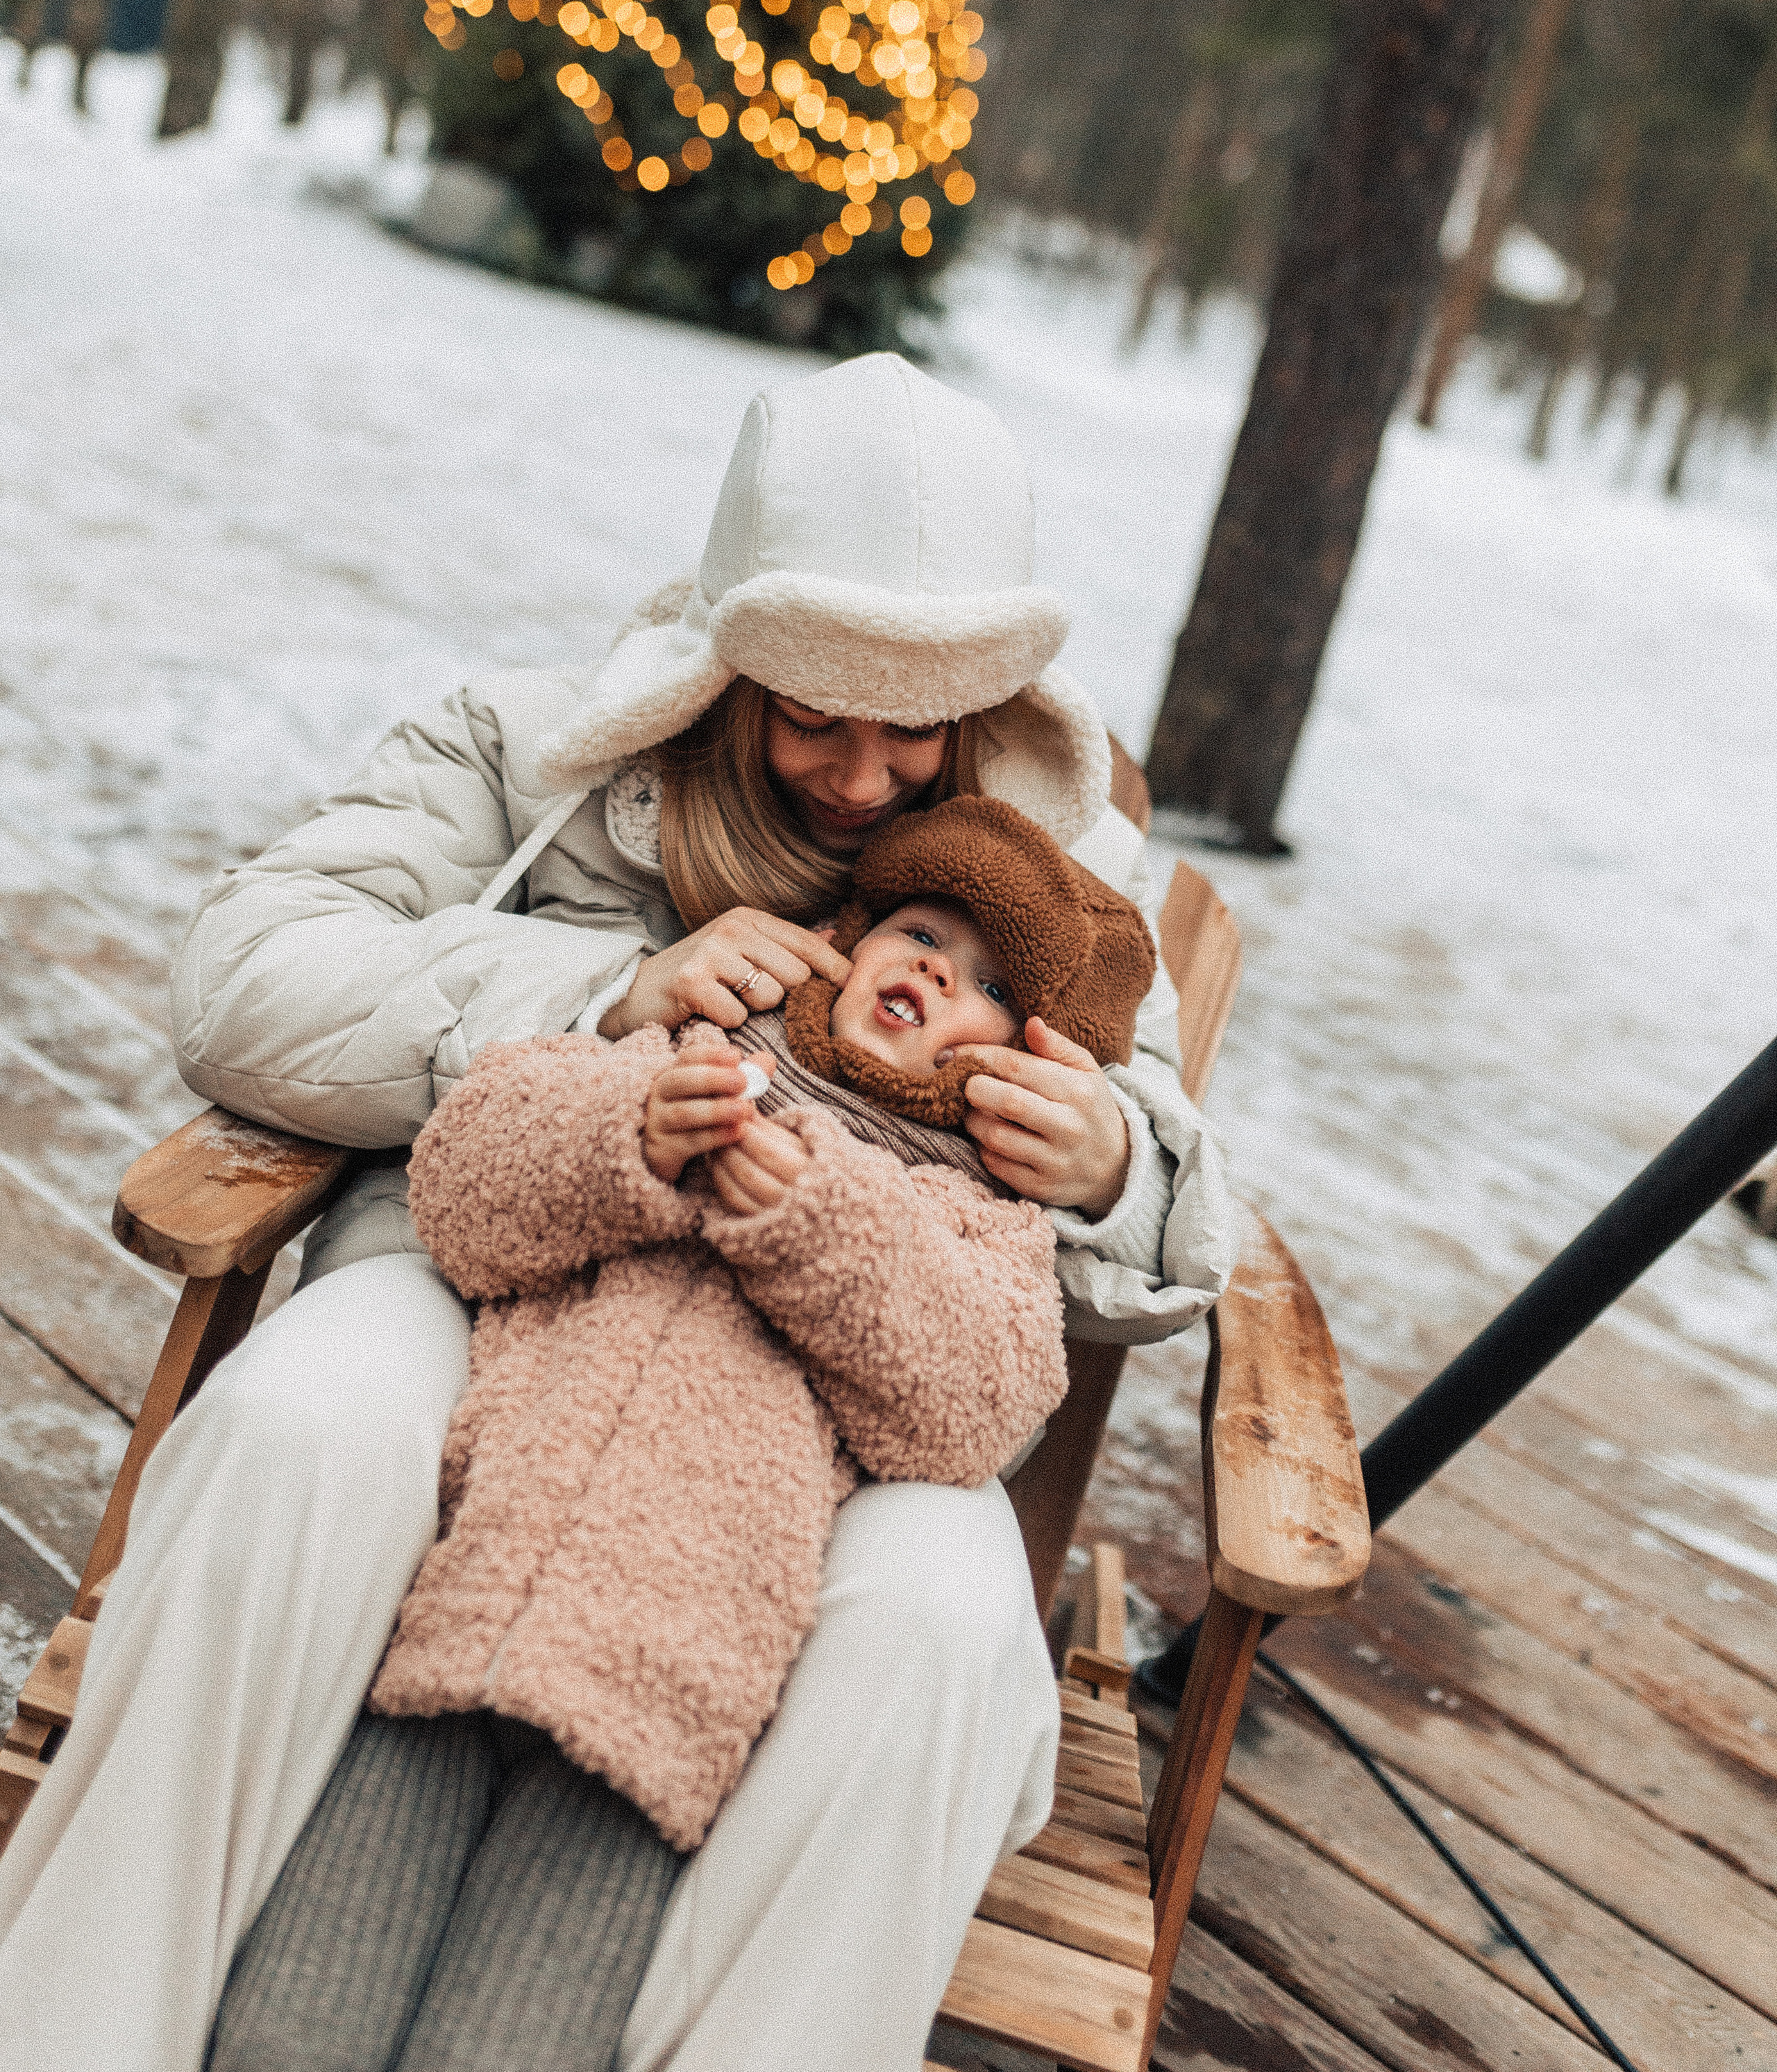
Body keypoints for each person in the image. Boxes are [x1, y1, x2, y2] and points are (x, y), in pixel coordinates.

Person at [0, 353, 1233, 2072]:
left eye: (914, 724)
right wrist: (608, 987)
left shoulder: (1054, 879)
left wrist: (1107, 1167)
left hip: (865, 1415)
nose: (866, 779)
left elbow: (1173, 1233)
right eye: (811, 712)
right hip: (486, 1280)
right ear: (729, 661)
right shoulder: (528, 753)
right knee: (296, 1433)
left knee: (947, 1648)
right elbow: (242, 987)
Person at [207, 793, 1154, 2071]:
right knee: (288, 2024)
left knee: (505, 2050)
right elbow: (466, 1183)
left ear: (1031, 1062)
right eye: (923, 931)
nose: (937, 971)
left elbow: (975, 1406)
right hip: (459, 1605)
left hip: (669, 1701)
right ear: (850, 935)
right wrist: (632, 1138)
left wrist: (822, 1224)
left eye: (986, 984)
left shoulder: (972, 1211)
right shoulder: (700, 1048)